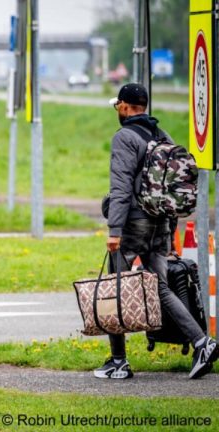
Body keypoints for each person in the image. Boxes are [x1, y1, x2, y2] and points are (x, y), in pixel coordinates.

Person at [102, 83, 217, 380]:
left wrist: (114, 230)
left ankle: (118, 361)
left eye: (119, 105)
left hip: (133, 224)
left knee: (117, 287)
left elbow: (121, 186)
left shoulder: (125, 137)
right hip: (160, 222)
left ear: (125, 106)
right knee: (158, 287)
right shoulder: (161, 135)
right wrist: (169, 228)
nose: (118, 110)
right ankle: (203, 342)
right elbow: (172, 186)